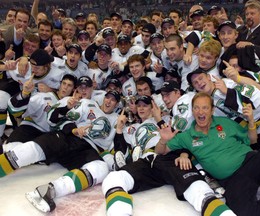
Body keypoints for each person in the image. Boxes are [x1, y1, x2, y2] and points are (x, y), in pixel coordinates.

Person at [155, 92, 260, 216]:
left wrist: (251, 121)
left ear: (212, 110)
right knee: (242, 211)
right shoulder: (187, 136)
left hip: (252, 162)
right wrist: (163, 140)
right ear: (192, 111)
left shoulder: (225, 122)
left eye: (205, 108)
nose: (201, 112)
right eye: (196, 108)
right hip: (232, 179)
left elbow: (252, 139)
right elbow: (160, 151)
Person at [102, 94, 235, 216]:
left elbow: (186, 139)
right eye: (139, 105)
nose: (142, 108)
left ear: (153, 107)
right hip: (147, 161)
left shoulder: (167, 119)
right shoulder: (132, 128)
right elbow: (121, 152)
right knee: (113, 179)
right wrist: (119, 129)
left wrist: (183, 154)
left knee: (199, 190)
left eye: (145, 105)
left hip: (169, 157)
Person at [0, 78, 120, 213]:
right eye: (107, 97)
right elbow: (61, 119)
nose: (109, 101)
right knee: (33, 149)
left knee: (101, 168)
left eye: (113, 99)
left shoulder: (118, 119)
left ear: (117, 104)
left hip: (86, 149)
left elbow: (113, 146)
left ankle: (50, 190)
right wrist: (74, 129)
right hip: (68, 137)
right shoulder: (86, 104)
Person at [187, 68, 260, 149]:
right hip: (258, 128)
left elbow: (254, 97)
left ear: (209, 77)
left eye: (200, 78)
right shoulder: (208, 105)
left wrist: (227, 92)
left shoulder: (227, 83)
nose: (199, 83)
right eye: (195, 83)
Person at [4, 74, 76, 146]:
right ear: (60, 84)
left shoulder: (73, 106)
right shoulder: (42, 97)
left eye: (69, 85)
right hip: (29, 129)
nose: (65, 87)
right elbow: (15, 111)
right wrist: (24, 93)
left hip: (48, 137)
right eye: (64, 83)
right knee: (11, 151)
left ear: (73, 89)